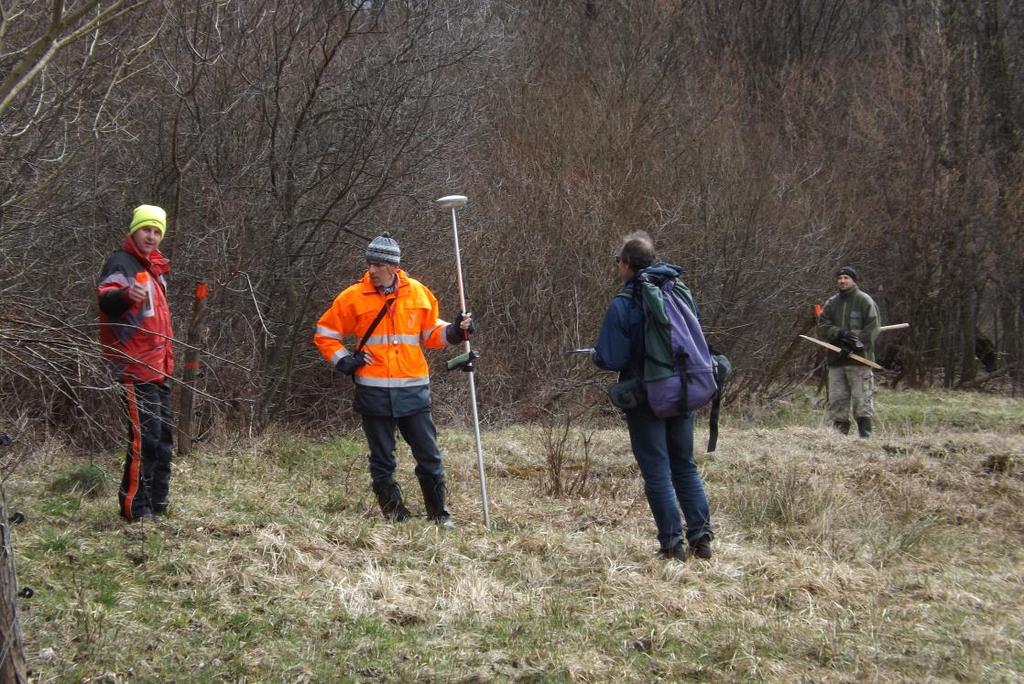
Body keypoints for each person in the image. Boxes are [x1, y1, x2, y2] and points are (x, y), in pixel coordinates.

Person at [314, 232, 474, 528]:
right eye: (369, 263)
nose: (371, 270)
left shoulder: (418, 292)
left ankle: (439, 514)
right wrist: (344, 361)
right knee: (382, 459)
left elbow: (431, 334)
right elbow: (325, 334)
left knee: (429, 454)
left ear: (393, 266)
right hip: (373, 392)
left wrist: (455, 332)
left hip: (414, 390)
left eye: (377, 264)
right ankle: (395, 516)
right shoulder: (352, 297)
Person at [592, 231, 714, 562]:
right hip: (684, 390)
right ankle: (701, 538)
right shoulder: (678, 290)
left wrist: (598, 353)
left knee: (657, 470)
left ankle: (672, 545)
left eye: (618, 261)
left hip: (647, 396)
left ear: (627, 264)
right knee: (684, 465)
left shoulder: (625, 302)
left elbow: (611, 358)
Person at [97, 205, 175, 521]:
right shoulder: (122, 262)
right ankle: (135, 509)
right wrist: (128, 294)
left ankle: (158, 504)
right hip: (134, 366)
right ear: (134, 230)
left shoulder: (155, 268)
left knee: (164, 438)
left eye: (157, 232)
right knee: (147, 438)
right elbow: (106, 298)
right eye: (146, 229)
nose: (151, 236)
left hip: (158, 367)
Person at [816, 266, 880, 438]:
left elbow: (873, 330)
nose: (842, 281)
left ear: (853, 280)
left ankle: (865, 438)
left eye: (846, 277)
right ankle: (839, 439)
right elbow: (822, 327)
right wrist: (839, 334)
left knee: (862, 400)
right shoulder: (831, 303)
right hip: (836, 361)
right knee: (837, 401)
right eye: (839, 278)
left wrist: (853, 344)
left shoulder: (864, 301)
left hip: (860, 361)